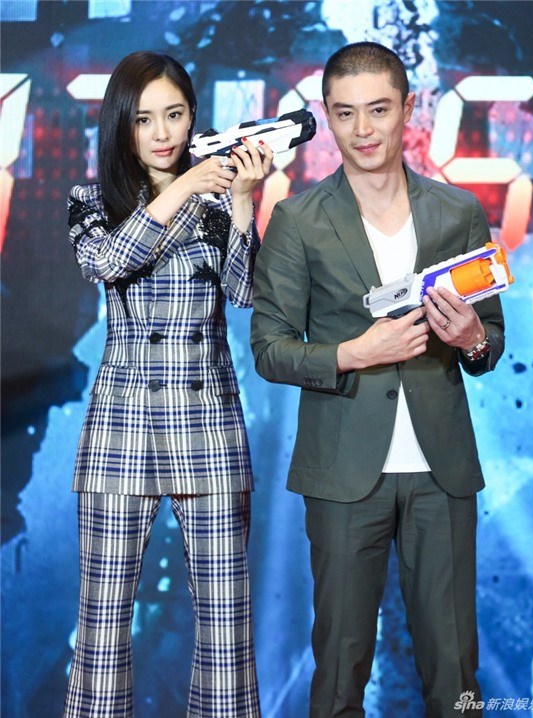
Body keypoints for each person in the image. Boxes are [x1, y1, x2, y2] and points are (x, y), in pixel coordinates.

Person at [251, 41, 504, 718]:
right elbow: (270, 350)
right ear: (327, 116)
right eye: (345, 113)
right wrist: (352, 353)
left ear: (408, 110)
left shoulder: (457, 212)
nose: (362, 130)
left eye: (379, 110)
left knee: (456, 672)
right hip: (341, 472)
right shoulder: (297, 220)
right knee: (339, 670)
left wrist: (470, 339)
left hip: (441, 473)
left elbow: (489, 342)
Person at [63, 51, 273, 718]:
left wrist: (241, 202)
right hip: (120, 430)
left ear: (192, 116)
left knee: (226, 630)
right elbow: (107, 263)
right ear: (121, 125)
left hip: (208, 427)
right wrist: (183, 189)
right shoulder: (92, 203)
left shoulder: (216, 203)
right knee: (101, 627)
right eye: (145, 119)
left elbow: (246, 292)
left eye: (175, 115)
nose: (162, 133)